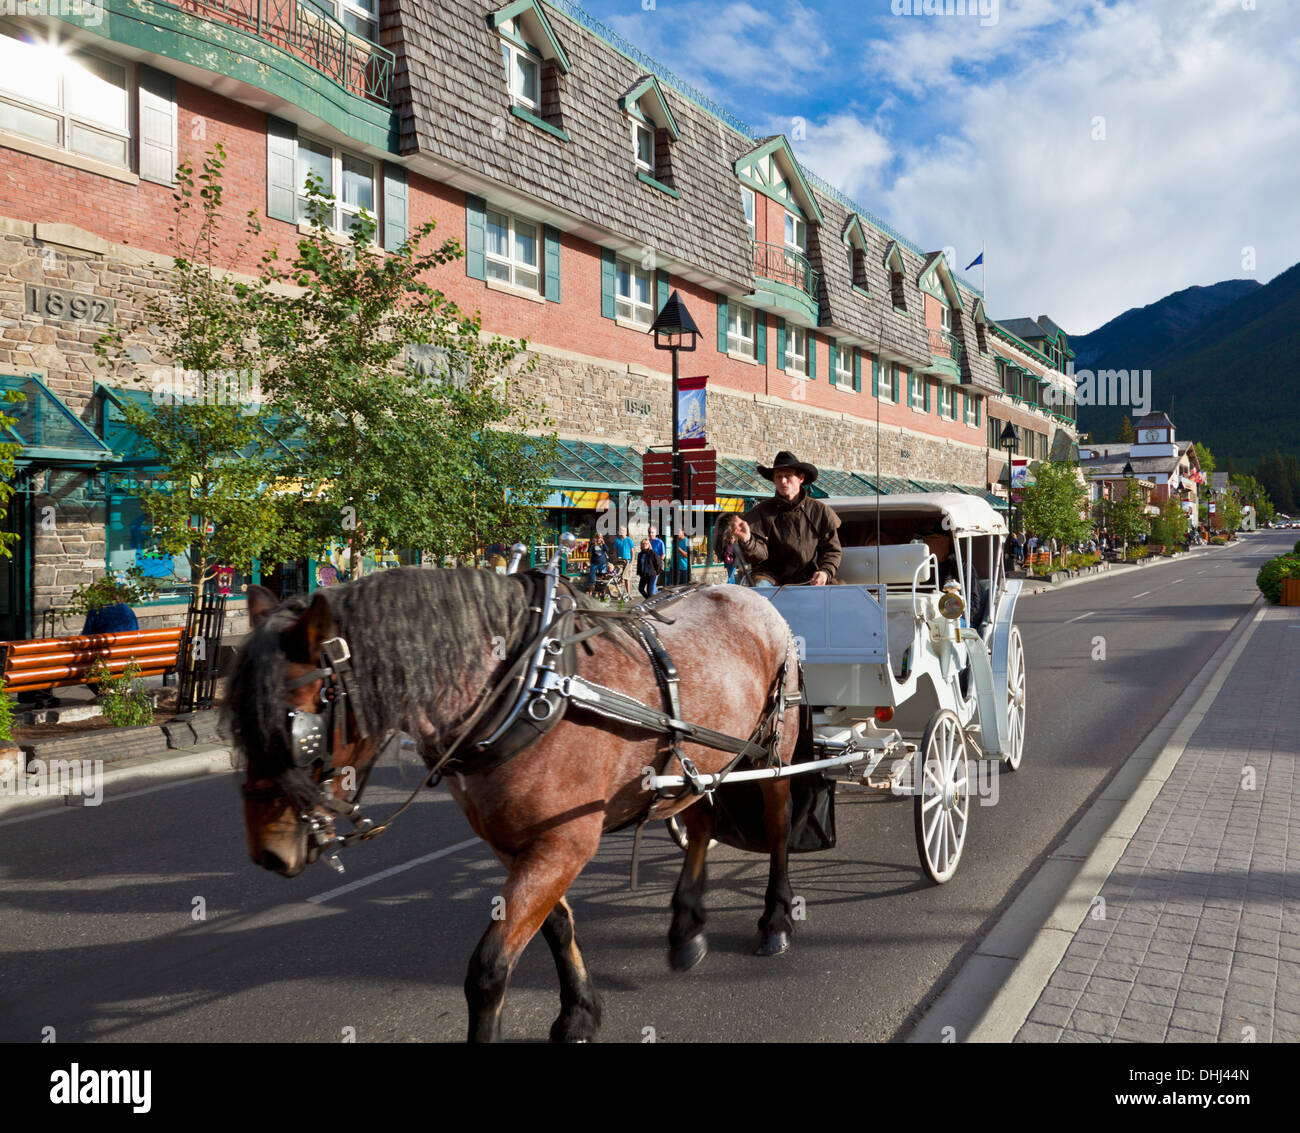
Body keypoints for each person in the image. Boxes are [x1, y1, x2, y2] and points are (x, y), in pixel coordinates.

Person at [730, 450, 841, 586]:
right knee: (760, 589)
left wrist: (825, 572)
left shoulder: (820, 511)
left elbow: (831, 550)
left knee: (839, 595)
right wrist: (747, 540)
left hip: (808, 577)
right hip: (769, 577)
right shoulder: (760, 512)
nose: (783, 481)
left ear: (801, 479)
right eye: (778, 477)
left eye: (788, 476)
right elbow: (758, 556)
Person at [647, 526, 666, 594]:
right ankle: (658, 597)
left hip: (655, 567)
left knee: (651, 588)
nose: (650, 534)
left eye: (652, 532)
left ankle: (654, 600)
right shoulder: (647, 542)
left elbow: (663, 555)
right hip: (648, 567)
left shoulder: (659, 542)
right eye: (649, 532)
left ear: (656, 533)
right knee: (652, 586)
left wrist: (657, 563)